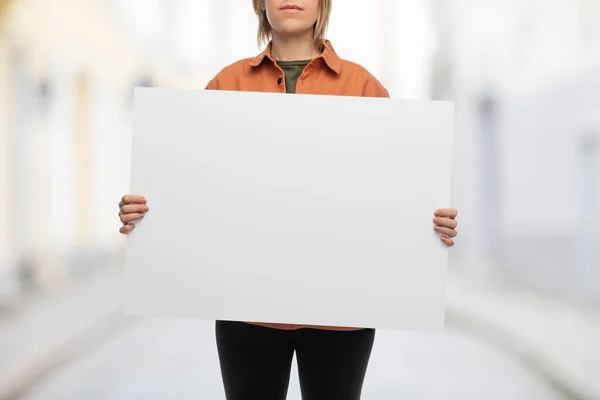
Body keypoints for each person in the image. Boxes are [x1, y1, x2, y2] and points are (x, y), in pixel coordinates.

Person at [118, 1, 459, 399]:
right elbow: (193, 192)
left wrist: (432, 221)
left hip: (344, 311)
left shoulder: (366, 89)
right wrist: (144, 211)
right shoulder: (226, 86)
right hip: (246, 310)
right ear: (259, 4)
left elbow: (396, 197)